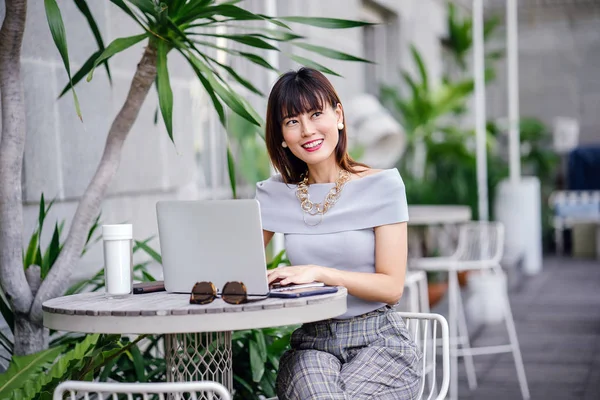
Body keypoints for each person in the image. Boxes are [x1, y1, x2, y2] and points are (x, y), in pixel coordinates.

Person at [255, 67, 422, 400]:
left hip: (379, 340)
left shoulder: (382, 185)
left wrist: (318, 273)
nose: (307, 130)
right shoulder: (275, 195)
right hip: (311, 344)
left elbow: (391, 287)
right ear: (282, 137)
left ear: (339, 116)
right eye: (292, 122)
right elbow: (238, 269)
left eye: (316, 114)